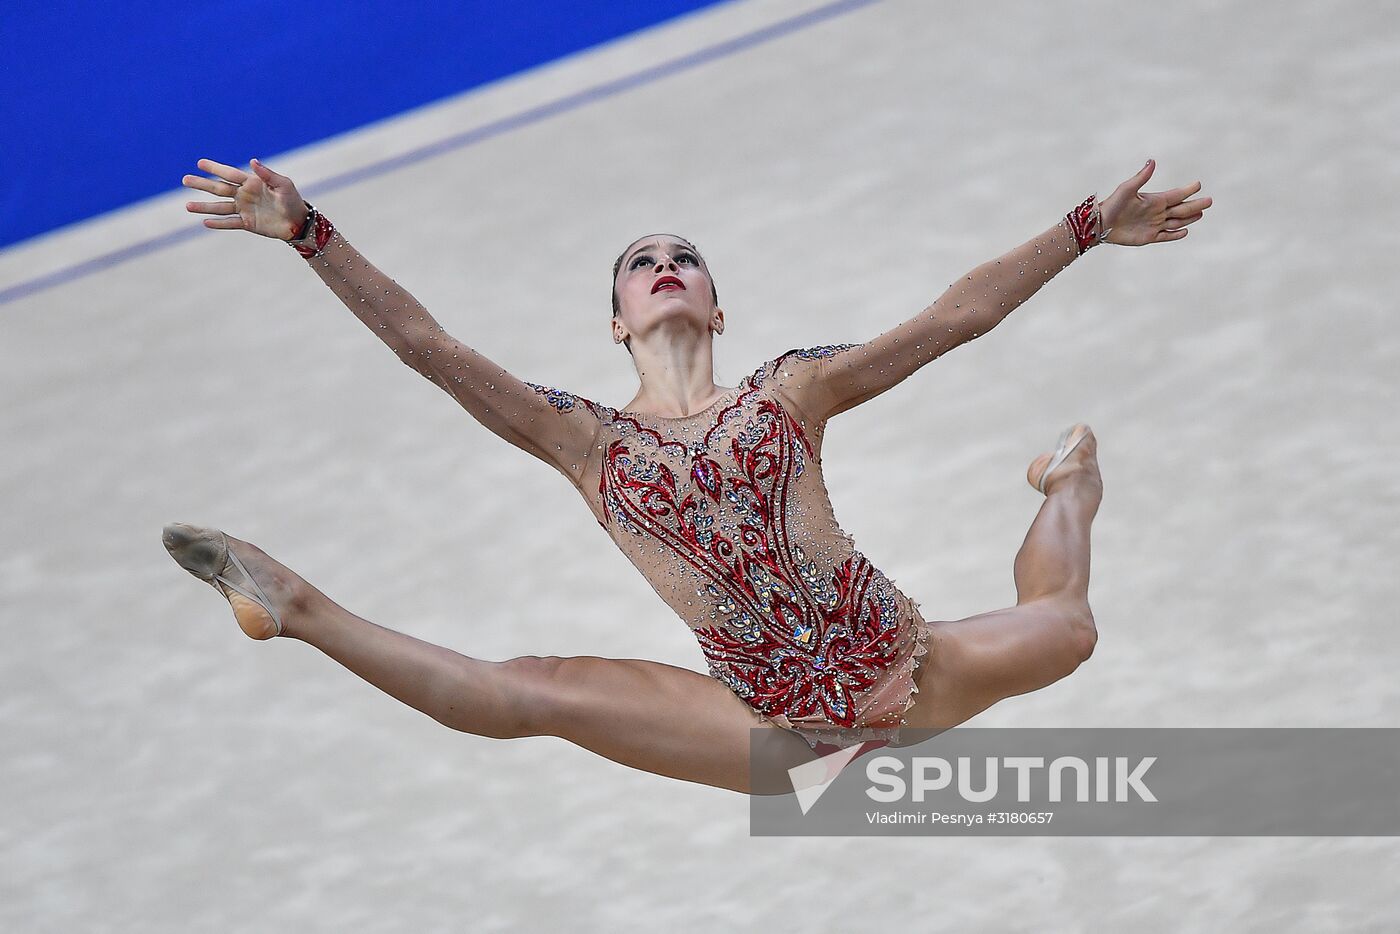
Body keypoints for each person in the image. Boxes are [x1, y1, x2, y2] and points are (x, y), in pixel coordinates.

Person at [168, 156, 1212, 795]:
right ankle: (295, 604)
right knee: (538, 690)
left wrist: (1082, 230)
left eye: (685, 256)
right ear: (616, 320)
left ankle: (1069, 483)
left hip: (917, 675)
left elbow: (955, 316)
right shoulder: (583, 439)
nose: (663, 263)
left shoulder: (790, 392)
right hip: (779, 740)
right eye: (639, 262)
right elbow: (428, 348)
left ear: (716, 308)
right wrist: (309, 232)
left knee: (1068, 626)